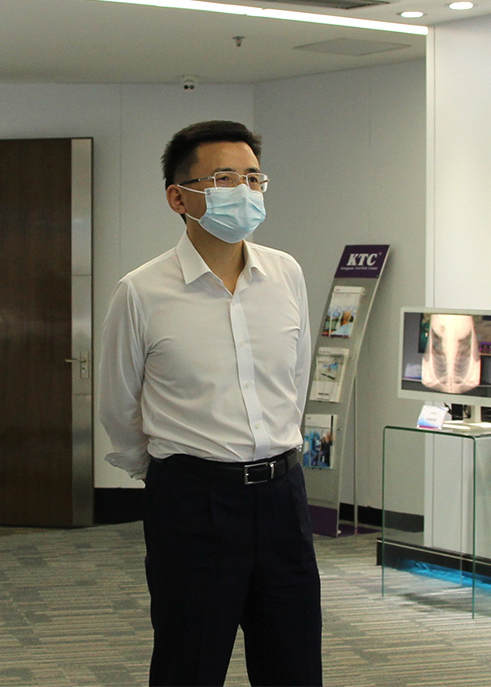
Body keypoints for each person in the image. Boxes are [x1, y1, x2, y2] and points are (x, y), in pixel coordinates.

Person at [98, 120, 321, 686]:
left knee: (294, 661)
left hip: (283, 497)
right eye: (224, 178)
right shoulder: (141, 291)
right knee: (189, 663)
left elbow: (294, 381)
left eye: (253, 178)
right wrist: (171, 474)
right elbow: (118, 404)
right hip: (193, 502)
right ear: (179, 197)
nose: (243, 190)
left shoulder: (286, 274)